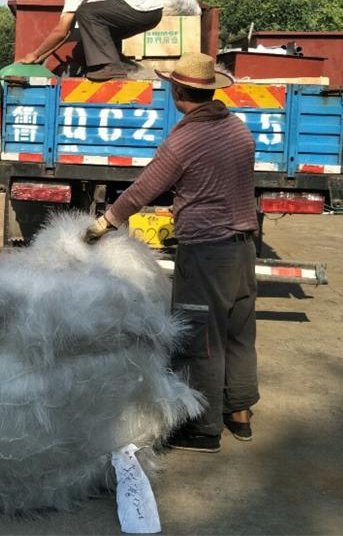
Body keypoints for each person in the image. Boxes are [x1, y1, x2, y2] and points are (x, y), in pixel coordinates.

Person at [83, 53, 258, 453]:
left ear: (179, 91)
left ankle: (204, 427)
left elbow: (142, 190)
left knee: (202, 340)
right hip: (243, 247)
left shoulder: (184, 141)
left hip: (206, 252)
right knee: (239, 334)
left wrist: (103, 225)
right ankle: (240, 414)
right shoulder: (238, 130)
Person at [17, 0, 200, 82]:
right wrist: (41, 57)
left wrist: (33, 54)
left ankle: (111, 66)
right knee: (92, 25)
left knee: (87, 12)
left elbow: (61, 30)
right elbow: (66, 35)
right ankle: (119, 62)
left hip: (142, 8)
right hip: (149, 12)